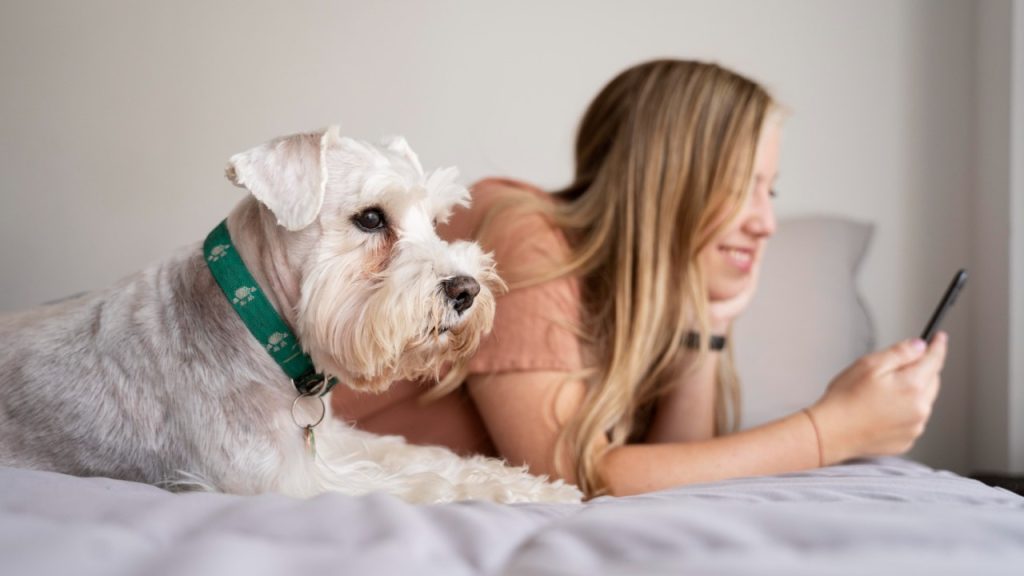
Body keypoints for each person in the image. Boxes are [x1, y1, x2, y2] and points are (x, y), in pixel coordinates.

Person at [331, 59, 947, 498]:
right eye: (743, 186)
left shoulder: (628, 308)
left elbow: (675, 474)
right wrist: (828, 432)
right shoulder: (523, 228)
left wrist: (705, 326)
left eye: (771, 191)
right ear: (666, 182)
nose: (766, 223)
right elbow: (571, 473)